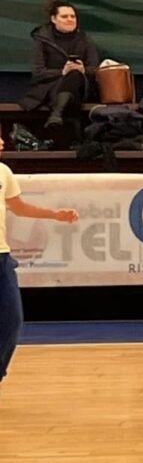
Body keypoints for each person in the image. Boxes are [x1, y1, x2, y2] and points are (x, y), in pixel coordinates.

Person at [0, 131, 79, 389]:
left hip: (2, 258)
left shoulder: (4, 172)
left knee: (12, 320)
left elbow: (19, 207)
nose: (2, 142)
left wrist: (55, 215)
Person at [21, 0, 101, 130]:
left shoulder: (85, 39)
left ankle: (57, 114)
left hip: (82, 87)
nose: (70, 19)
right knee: (71, 85)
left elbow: (95, 69)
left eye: (73, 16)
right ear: (54, 19)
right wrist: (63, 72)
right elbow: (38, 72)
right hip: (51, 87)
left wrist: (83, 70)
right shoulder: (41, 39)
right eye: (64, 16)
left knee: (74, 75)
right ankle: (71, 131)